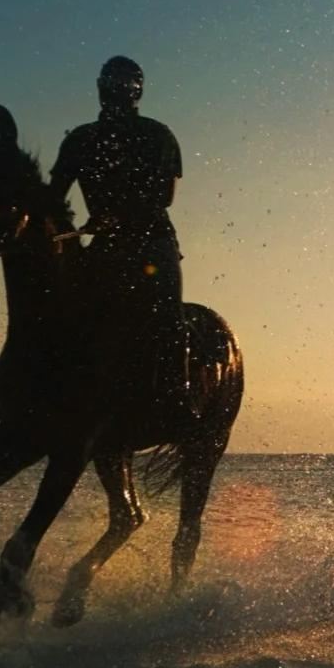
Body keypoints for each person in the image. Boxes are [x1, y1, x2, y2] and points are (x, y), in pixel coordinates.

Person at [50, 56, 194, 419]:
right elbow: (53, 196)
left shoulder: (157, 135)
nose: (115, 93)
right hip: (104, 245)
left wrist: (118, 215)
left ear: (134, 91)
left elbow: (164, 197)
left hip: (153, 242)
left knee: (167, 315)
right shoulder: (79, 140)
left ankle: (179, 397)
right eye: (111, 85)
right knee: (56, 311)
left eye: (121, 86)